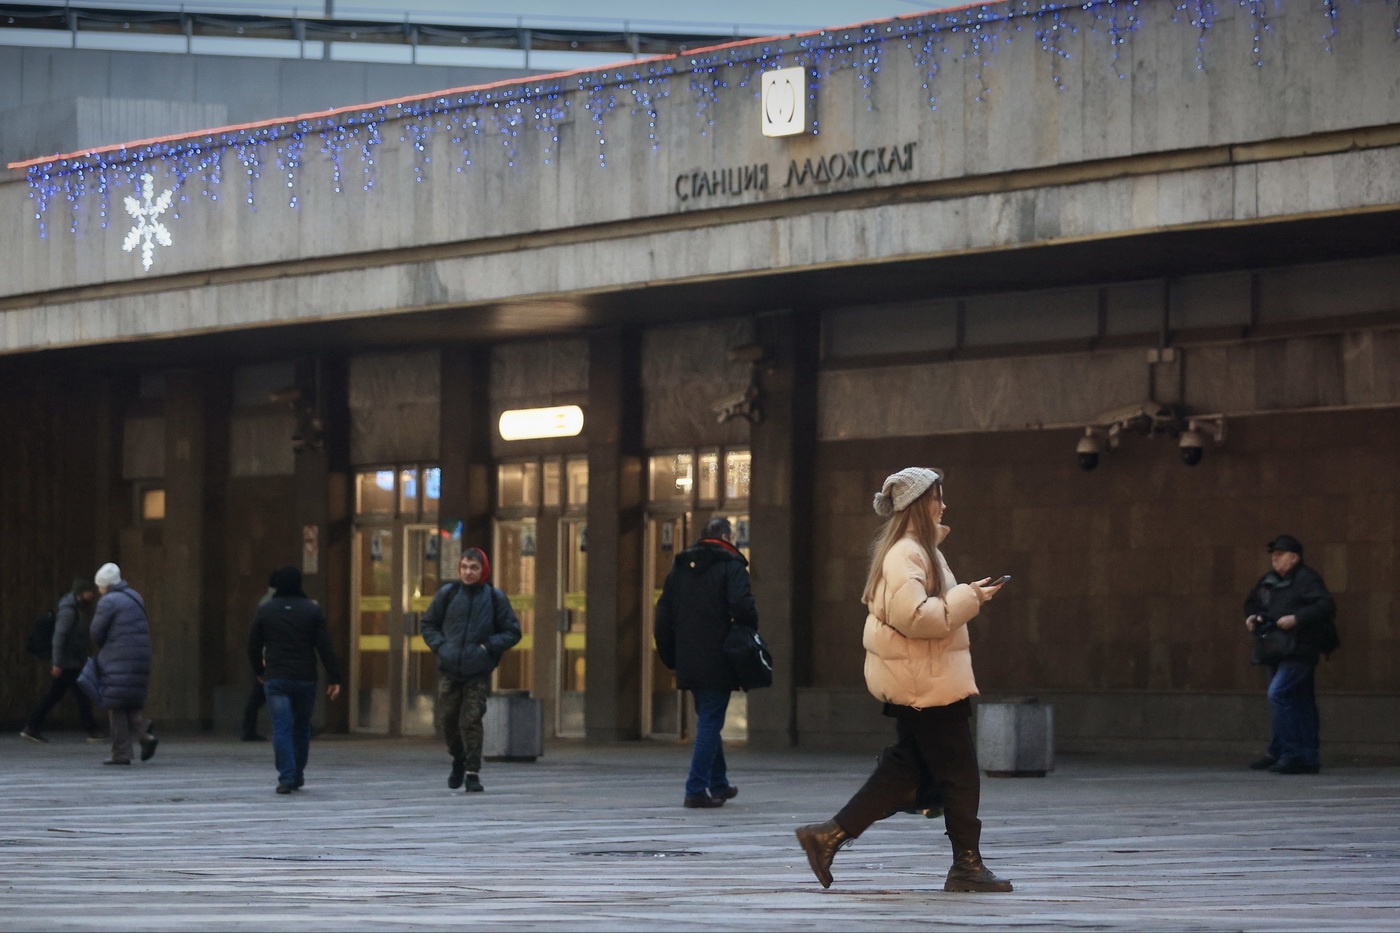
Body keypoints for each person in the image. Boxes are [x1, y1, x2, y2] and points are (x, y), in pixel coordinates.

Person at [795, 467, 1012, 892]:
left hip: (926, 678)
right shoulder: (906, 554)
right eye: (937, 498)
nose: (943, 506)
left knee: (908, 771)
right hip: (924, 684)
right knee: (959, 772)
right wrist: (970, 597)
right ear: (918, 505)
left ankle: (828, 837)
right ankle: (966, 866)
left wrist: (966, 595)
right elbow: (916, 618)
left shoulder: (918, 551)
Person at [654, 516, 758, 809]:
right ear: (726, 535)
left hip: (688, 656)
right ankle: (696, 788)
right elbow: (743, 606)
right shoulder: (731, 565)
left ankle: (719, 783)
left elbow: (663, 615)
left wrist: (669, 654)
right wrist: (748, 633)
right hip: (719, 656)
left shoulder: (680, 568)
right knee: (711, 721)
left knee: (708, 718)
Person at [420, 547, 521, 794]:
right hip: (449, 669)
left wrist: (487, 647)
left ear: (483, 570)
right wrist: (441, 647)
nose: (468, 572)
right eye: (464, 567)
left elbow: (512, 632)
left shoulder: (494, 597)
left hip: (477, 671)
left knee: (471, 720)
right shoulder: (449, 593)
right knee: (448, 720)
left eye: (474, 568)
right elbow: (428, 624)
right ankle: (458, 758)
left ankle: (472, 772)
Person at [1244, 534, 1335, 775]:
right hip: (1274, 648)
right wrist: (1253, 617)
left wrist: (1297, 618)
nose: (1275, 559)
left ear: (1294, 558)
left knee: (1279, 695)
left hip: (1299, 648)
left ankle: (1292, 753)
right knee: (1298, 701)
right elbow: (1252, 602)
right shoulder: (1269, 580)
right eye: (1273, 555)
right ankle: (1298, 754)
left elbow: (1325, 605)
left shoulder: (1307, 579)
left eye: (1280, 555)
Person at [248, 566, 342, 794]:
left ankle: (287, 777)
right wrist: (335, 677)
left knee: (281, 727)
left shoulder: (266, 610)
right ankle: (298, 773)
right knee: (301, 726)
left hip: (277, 677)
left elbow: (253, 645)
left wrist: (259, 671)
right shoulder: (312, 610)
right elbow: (325, 646)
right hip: (305, 677)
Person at [83, 562, 157, 767]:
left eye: (99, 586)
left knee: (114, 703)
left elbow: (96, 633)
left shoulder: (109, 601)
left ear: (105, 585)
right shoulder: (135, 596)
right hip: (139, 656)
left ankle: (120, 752)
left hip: (118, 658)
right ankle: (144, 734)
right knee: (127, 701)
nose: (98, 590)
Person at [20, 577, 104, 743]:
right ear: (81, 593)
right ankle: (92, 730)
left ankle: (32, 726)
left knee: (55, 695)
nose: (91, 595)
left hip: (69, 661)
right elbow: (59, 637)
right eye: (88, 592)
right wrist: (57, 663)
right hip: (68, 662)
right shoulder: (69, 611)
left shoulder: (74, 609)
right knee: (80, 695)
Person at [241, 585, 277, 742]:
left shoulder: (267, 601)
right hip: (269, 656)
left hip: (267, 655)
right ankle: (248, 729)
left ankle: (249, 729)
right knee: (259, 695)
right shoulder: (271, 603)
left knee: (259, 695)